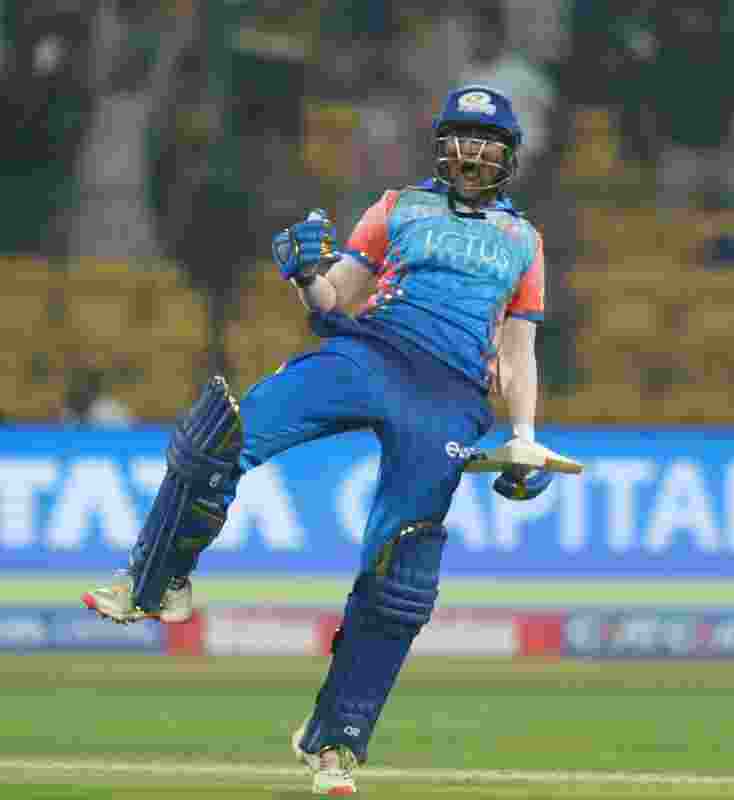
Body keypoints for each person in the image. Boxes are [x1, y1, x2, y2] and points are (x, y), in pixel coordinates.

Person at [81, 84, 558, 796]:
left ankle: (334, 744)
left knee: (402, 578)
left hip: (451, 395)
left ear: (508, 155)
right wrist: (307, 275)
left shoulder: (524, 240)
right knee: (221, 437)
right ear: (442, 146)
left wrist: (524, 437)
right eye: (461, 136)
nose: (473, 151)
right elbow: (334, 301)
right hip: (367, 353)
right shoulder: (398, 207)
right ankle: (156, 581)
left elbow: (517, 352)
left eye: (487, 140)